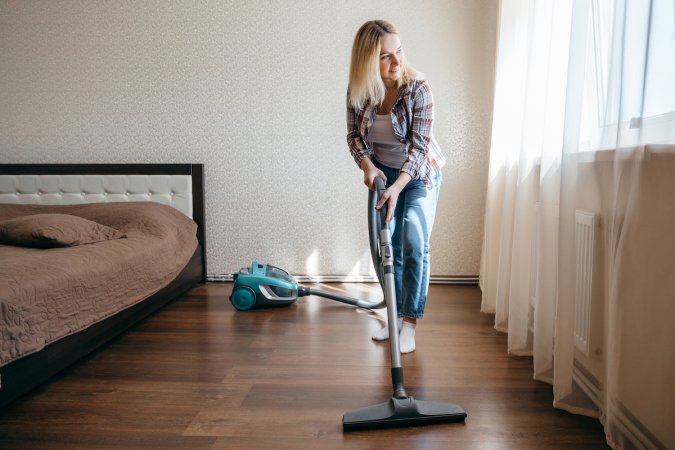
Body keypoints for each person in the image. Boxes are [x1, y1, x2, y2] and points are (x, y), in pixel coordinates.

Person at [346, 20, 445, 353]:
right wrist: (367, 166)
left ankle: (410, 324)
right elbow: (354, 138)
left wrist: (398, 186)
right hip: (383, 173)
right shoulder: (358, 91)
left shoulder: (419, 89)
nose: (397, 61)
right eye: (385, 56)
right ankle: (394, 317)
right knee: (389, 246)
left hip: (418, 174)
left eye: (399, 51)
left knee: (413, 240)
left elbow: (419, 150)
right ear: (367, 62)